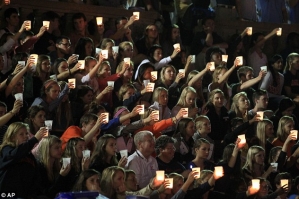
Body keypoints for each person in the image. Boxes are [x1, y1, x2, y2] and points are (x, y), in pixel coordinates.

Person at [0, 122, 46, 198]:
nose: (26, 136)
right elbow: (15, 155)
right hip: (7, 195)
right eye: (21, 134)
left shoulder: (28, 154)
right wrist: (34, 139)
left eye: (26, 134)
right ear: (12, 137)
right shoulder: (6, 149)